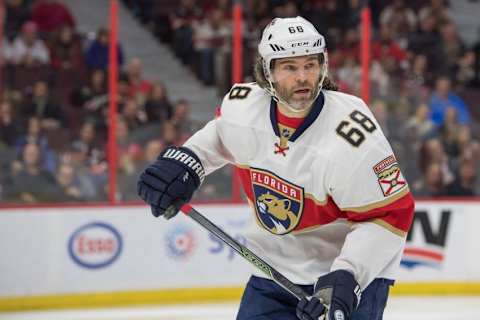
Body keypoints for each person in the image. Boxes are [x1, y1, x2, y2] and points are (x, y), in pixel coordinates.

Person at [137, 17, 415, 320]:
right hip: (274, 271)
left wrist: (348, 275)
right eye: (290, 67)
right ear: (267, 71)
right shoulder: (243, 107)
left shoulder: (352, 135)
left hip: (348, 279)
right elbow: (221, 133)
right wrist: (188, 162)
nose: (303, 78)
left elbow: (392, 214)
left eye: (311, 65)